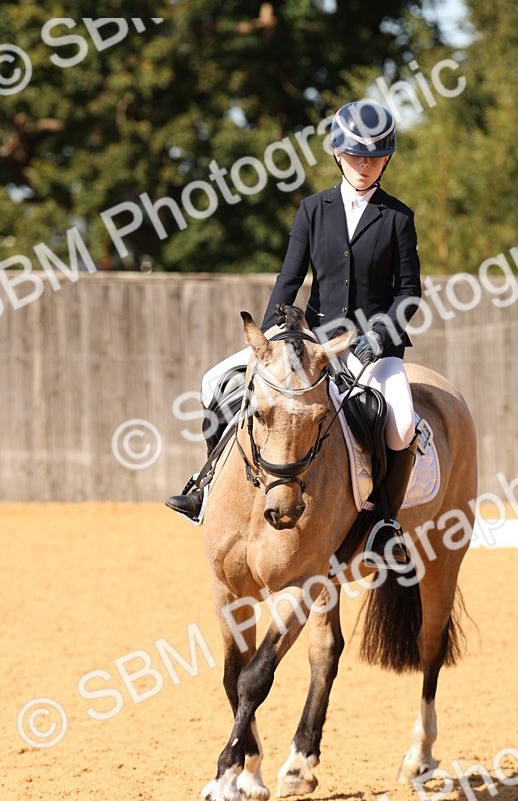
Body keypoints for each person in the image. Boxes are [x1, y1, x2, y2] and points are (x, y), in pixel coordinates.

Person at [166, 99, 422, 566]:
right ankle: (204, 485)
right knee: (214, 382)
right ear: (337, 155)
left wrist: (379, 338)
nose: (364, 166)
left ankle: (385, 521)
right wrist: (272, 341)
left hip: (371, 348)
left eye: (374, 157)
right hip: (314, 342)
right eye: (355, 156)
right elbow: (289, 280)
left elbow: (408, 294)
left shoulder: (398, 218)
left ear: (386, 159)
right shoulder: (312, 210)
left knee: (402, 423)